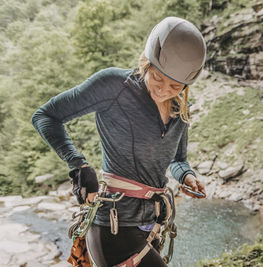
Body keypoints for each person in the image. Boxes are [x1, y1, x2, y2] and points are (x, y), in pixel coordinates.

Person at [31, 16, 207, 267]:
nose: (163, 90)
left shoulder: (181, 111)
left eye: (175, 85)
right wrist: (79, 166)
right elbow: (45, 116)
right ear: (146, 61)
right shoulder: (115, 86)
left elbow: (178, 160)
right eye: (157, 77)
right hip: (114, 226)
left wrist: (187, 176)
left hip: (152, 224)